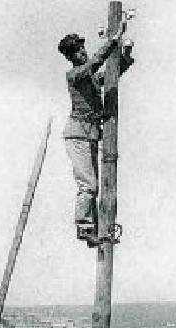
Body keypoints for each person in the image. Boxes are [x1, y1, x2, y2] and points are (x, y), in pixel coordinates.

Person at [57, 27, 135, 246]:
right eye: (77, 52)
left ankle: (96, 230)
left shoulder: (87, 75)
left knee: (94, 186)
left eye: (82, 49)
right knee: (88, 185)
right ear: (70, 57)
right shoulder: (75, 74)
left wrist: (124, 58)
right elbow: (94, 64)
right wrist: (113, 41)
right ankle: (84, 228)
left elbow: (108, 76)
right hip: (77, 135)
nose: (82, 53)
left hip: (89, 135)